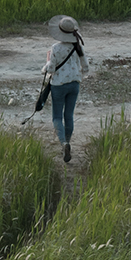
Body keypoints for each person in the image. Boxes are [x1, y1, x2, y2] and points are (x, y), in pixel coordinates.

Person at [43, 14, 86, 162]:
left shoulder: (55, 48)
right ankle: (68, 140)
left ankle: (64, 143)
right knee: (69, 116)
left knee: (56, 117)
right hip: (74, 84)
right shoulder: (77, 46)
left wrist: (47, 61)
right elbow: (85, 67)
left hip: (59, 85)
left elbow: (50, 69)